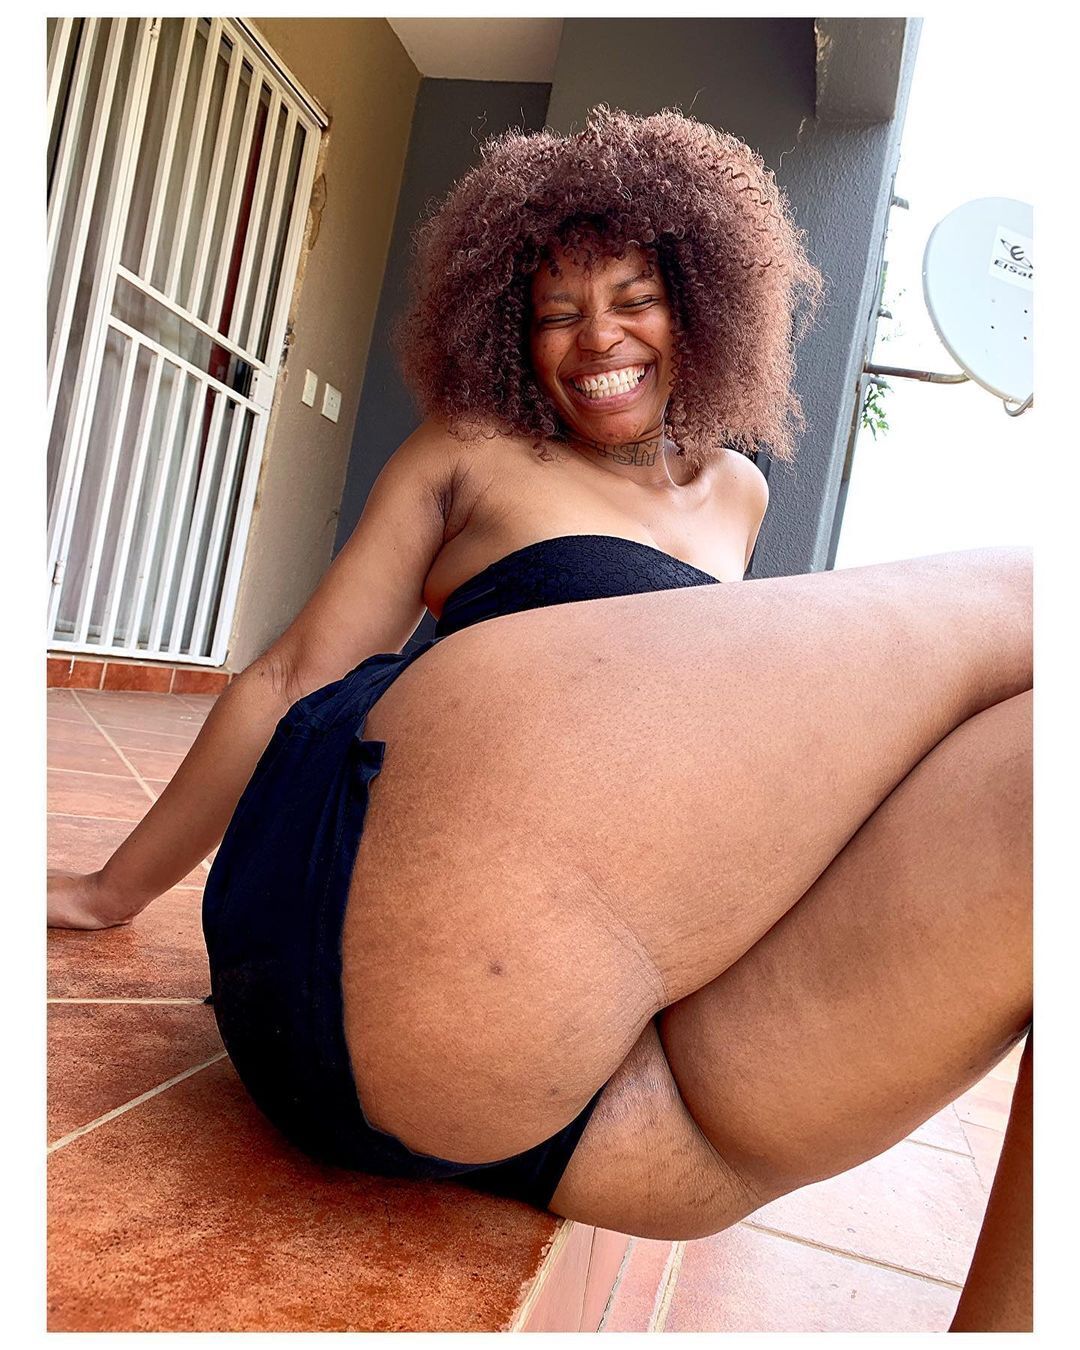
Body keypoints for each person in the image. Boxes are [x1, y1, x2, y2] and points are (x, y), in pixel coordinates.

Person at [48, 106, 1032, 1332]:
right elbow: (291, 676)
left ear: (702, 307)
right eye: (556, 313)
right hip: (383, 919)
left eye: (635, 299)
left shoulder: (739, 492)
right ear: (509, 331)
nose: (598, 338)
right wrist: (110, 893)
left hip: (551, 1091)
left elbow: (686, 785)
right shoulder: (473, 450)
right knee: (1036, 598)